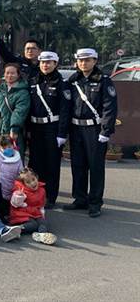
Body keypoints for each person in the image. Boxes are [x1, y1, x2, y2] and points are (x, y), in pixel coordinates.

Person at [64, 48, 117, 218]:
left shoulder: (104, 81)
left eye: (87, 60)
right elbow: (67, 106)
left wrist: (105, 131)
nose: (83, 63)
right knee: (78, 166)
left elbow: (110, 107)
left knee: (95, 167)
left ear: (95, 61)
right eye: (80, 60)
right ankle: (80, 198)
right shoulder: (73, 80)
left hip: (95, 130)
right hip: (76, 129)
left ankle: (95, 202)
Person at [28, 51, 72, 208]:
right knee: (35, 162)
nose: (45, 65)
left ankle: (50, 197)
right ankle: (35, 194)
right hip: (35, 127)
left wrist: (62, 133)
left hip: (53, 128)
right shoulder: (33, 81)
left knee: (52, 164)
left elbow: (65, 110)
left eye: (48, 62)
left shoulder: (62, 83)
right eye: (42, 62)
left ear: (55, 64)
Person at [0, 63, 31, 154]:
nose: (9, 75)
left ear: (18, 75)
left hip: (12, 132)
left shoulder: (23, 92)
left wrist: (14, 129)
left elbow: (19, 112)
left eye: (12, 73)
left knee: (13, 157)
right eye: (7, 73)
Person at [10, 168, 57, 245]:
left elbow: (41, 205)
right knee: (33, 225)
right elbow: (15, 204)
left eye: (33, 179)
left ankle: (42, 235)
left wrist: (42, 214)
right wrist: (19, 196)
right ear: (24, 184)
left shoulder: (41, 190)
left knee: (44, 223)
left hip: (35, 213)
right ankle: (17, 229)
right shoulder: (20, 190)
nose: (32, 183)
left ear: (36, 177)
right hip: (22, 213)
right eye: (28, 182)